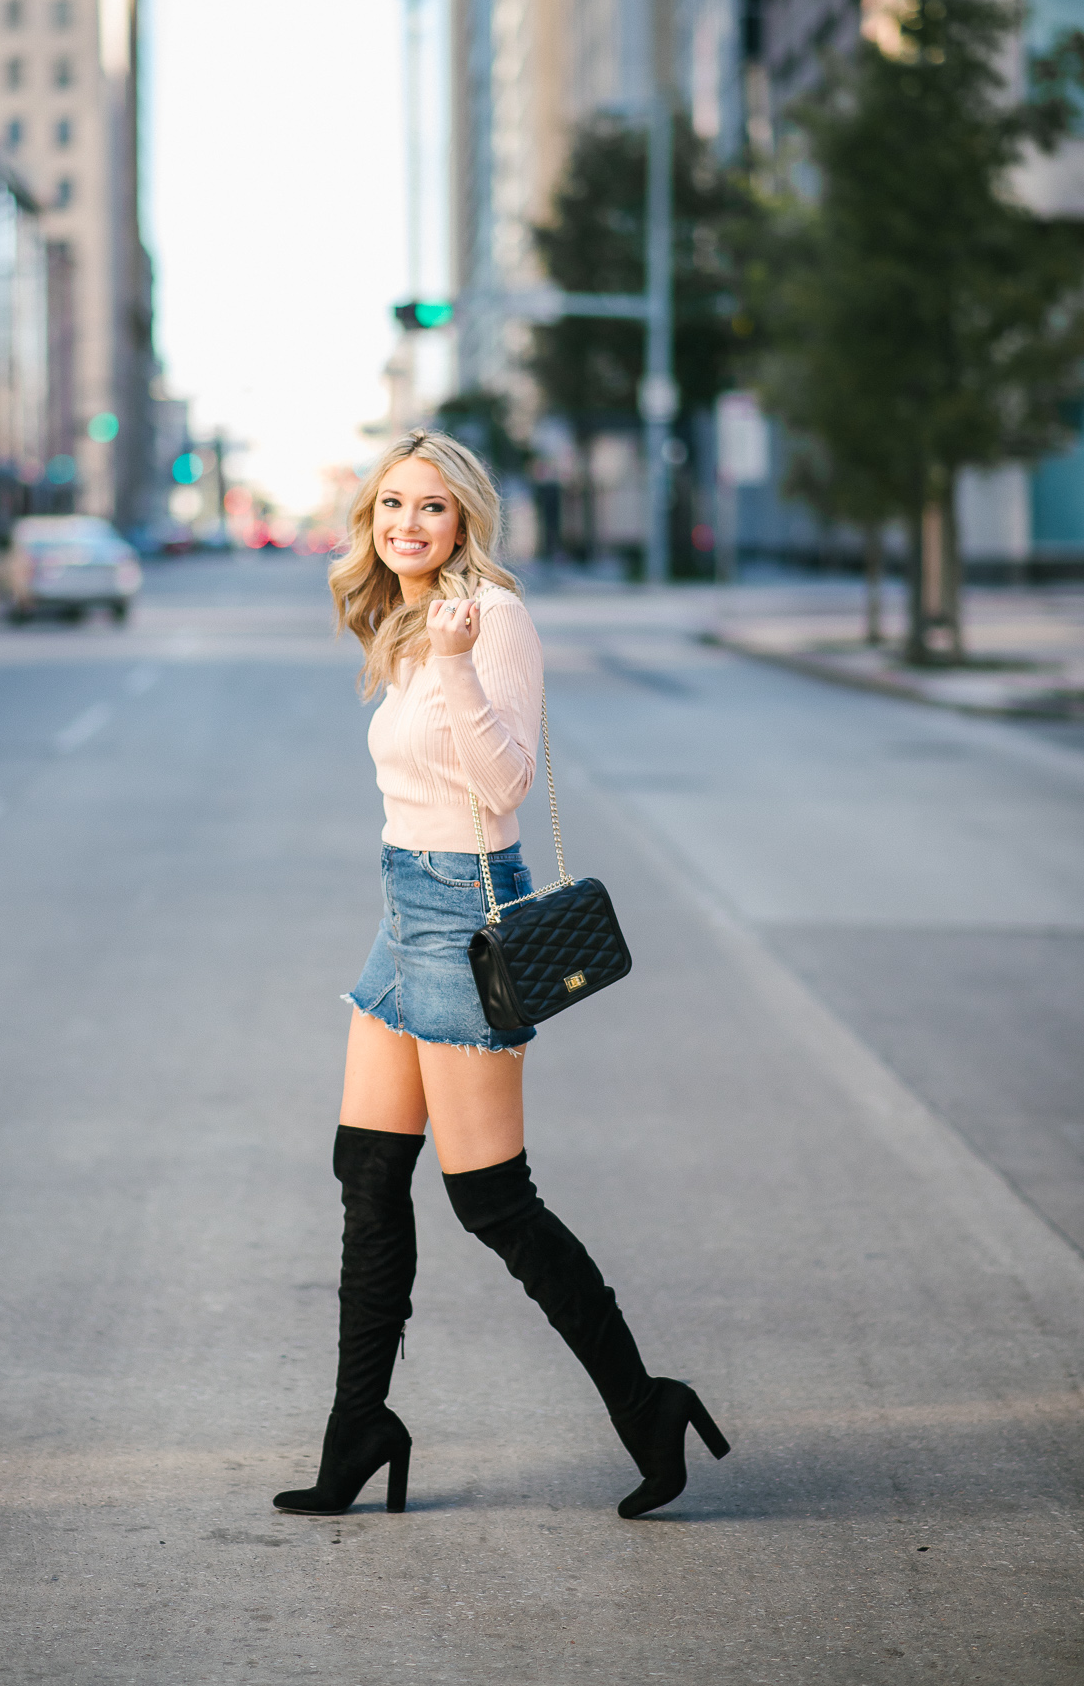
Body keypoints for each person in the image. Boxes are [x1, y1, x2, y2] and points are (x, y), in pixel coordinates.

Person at [273, 430, 728, 1521]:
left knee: (492, 1199)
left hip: (469, 905)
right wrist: (429, 649)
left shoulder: (495, 621)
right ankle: (359, 1430)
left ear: (466, 517)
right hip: (407, 904)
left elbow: (505, 778)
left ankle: (646, 1403)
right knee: (368, 1170)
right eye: (391, 506)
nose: (407, 525)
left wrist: (459, 661)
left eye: (431, 507)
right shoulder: (404, 617)